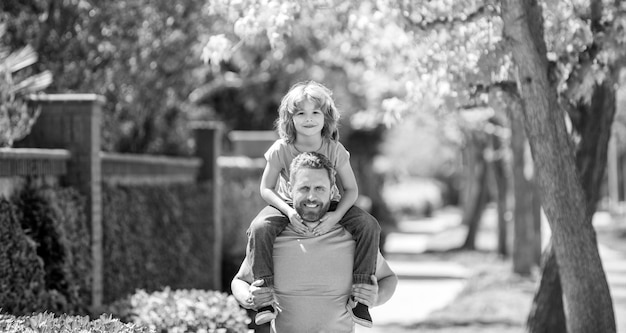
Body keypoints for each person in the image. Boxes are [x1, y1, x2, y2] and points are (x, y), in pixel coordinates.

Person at [246, 81, 382, 327]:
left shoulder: (335, 149)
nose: (308, 119)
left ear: (326, 116)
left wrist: (336, 216)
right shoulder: (281, 149)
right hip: (288, 203)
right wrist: (287, 212)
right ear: (290, 118)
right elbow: (266, 188)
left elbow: (351, 190)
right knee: (259, 227)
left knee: (369, 225)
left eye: (315, 112)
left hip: (331, 204)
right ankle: (264, 296)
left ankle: (360, 297)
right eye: (301, 113)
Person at [233, 152, 398, 332]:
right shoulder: (269, 236)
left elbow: (388, 278)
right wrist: (249, 297)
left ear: (332, 189)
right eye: (304, 188)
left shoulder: (354, 237)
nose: (311, 197)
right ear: (290, 188)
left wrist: (375, 297)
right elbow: (239, 281)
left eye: (320, 188)